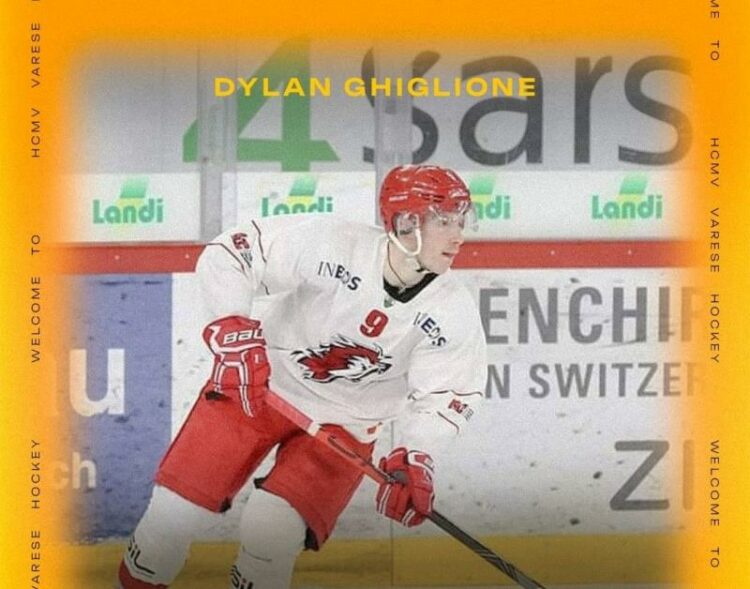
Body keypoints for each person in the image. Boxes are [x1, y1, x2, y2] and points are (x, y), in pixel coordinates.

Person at [117, 165, 487, 589]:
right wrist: (231, 324)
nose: (458, 236)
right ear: (406, 223)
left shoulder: (452, 311)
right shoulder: (334, 244)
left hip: (345, 426)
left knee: (270, 533)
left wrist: (417, 455)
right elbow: (234, 252)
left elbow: (448, 395)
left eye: (461, 222)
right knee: (170, 518)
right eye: (444, 222)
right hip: (258, 388)